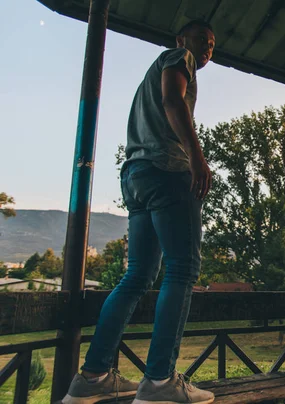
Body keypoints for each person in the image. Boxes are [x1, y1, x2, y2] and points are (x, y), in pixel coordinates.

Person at [62, 19, 216, 404]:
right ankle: (160, 381)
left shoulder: (155, 72)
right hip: (166, 170)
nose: (207, 48)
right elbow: (172, 100)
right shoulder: (178, 57)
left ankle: (93, 376)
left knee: (137, 276)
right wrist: (197, 157)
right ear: (181, 39)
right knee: (182, 269)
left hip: (136, 174)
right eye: (202, 39)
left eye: (212, 44)